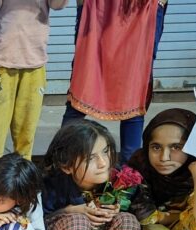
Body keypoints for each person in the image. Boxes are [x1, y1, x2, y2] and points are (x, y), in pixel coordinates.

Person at [61, 0, 167, 163]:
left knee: (134, 93)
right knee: (82, 86)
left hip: (142, 8)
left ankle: (128, 178)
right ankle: (62, 167)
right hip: (97, 8)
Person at [0, 0, 68, 173]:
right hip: (2, 60)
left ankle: (23, 185)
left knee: (26, 137)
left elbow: (58, 5)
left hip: (34, 62)